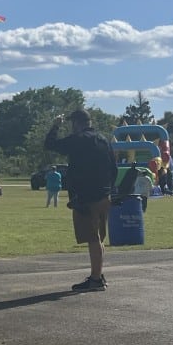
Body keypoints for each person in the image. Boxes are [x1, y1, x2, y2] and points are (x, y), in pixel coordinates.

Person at [44, 109, 117, 292]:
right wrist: (109, 189)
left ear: (76, 123)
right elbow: (114, 168)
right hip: (103, 195)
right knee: (98, 237)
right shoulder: (103, 140)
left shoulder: (78, 140)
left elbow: (50, 144)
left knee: (92, 238)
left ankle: (95, 279)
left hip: (87, 197)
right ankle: (98, 274)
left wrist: (55, 126)